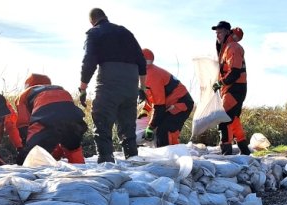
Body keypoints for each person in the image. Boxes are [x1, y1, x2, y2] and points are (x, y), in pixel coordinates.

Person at [79, 7, 147, 163]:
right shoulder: (126, 32)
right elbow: (141, 61)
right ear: (105, 16)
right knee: (127, 126)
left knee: (102, 121)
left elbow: (88, 62)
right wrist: (142, 88)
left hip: (109, 83)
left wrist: (82, 89)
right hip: (131, 84)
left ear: (92, 21)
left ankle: (106, 162)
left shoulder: (94, 33)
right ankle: (133, 160)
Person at [15, 75, 88, 165]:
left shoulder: (24, 94)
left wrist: (24, 146)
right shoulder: (60, 89)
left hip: (45, 119)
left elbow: (23, 124)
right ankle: (81, 173)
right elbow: (62, 124)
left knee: (28, 155)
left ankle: (33, 177)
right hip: (74, 119)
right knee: (73, 147)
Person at [141, 48, 194, 147]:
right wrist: (145, 110)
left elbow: (159, 107)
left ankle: (171, 159)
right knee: (161, 131)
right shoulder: (145, 74)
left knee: (165, 131)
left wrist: (151, 127)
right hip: (172, 103)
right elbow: (152, 98)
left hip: (181, 104)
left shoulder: (151, 76)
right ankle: (167, 156)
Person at [211, 21, 249, 155]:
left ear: (228, 32)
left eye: (220, 32)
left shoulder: (233, 48)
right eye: (216, 33)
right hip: (231, 88)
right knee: (233, 120)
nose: (217, 35)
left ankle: (226, 152)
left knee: (224, 119)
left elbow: (235, 72)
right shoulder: (225, 48)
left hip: (235, 88)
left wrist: (221, 83)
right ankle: (244, 151)